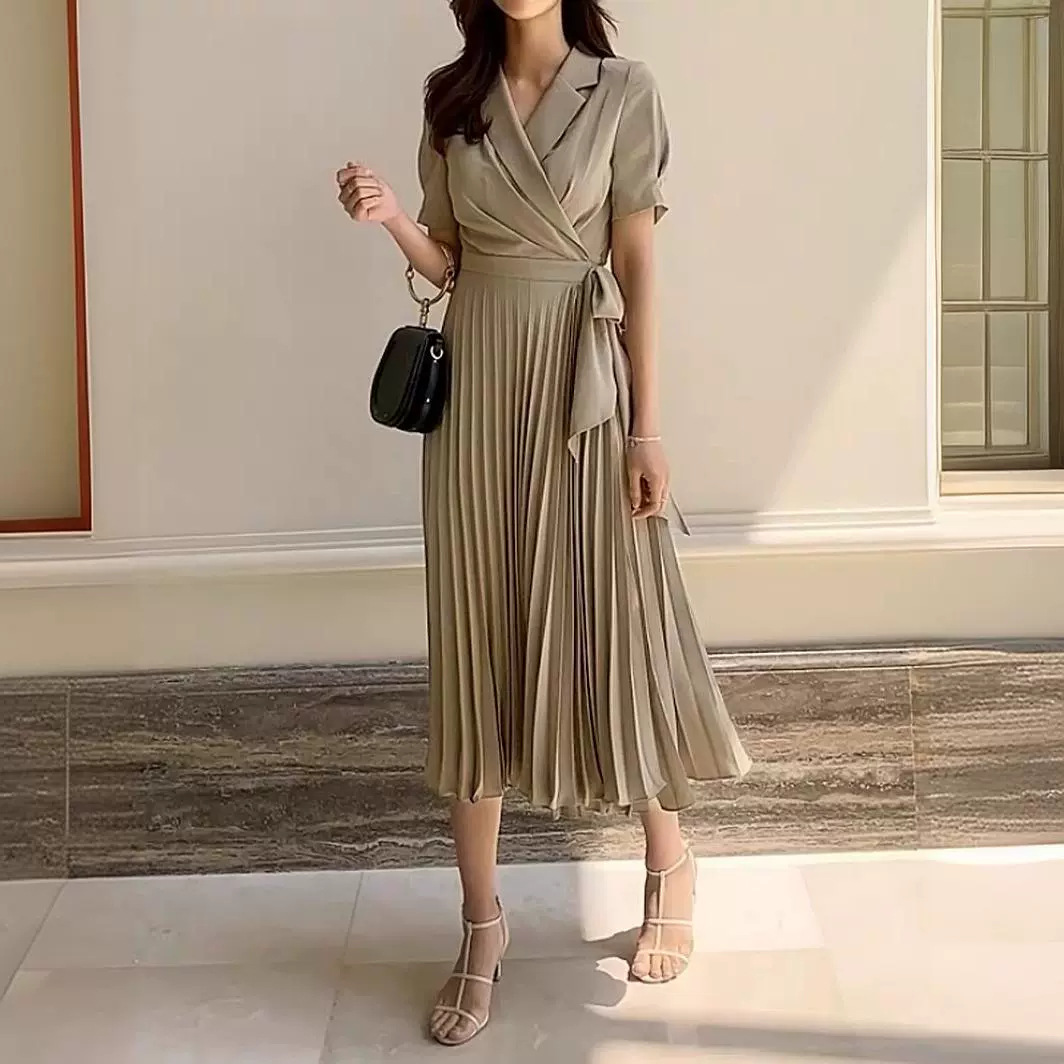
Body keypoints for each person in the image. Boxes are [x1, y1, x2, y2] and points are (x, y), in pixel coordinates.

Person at [337, 0, 750, 1046]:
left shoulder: (624, 91)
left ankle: (669, 860)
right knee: (476, 641)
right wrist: (391, 217)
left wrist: (647, 430)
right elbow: (451, 264)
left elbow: (637, 263)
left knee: (616, 628)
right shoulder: (451, 97)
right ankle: (481, 925)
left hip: (583, 396)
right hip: (477, 400)